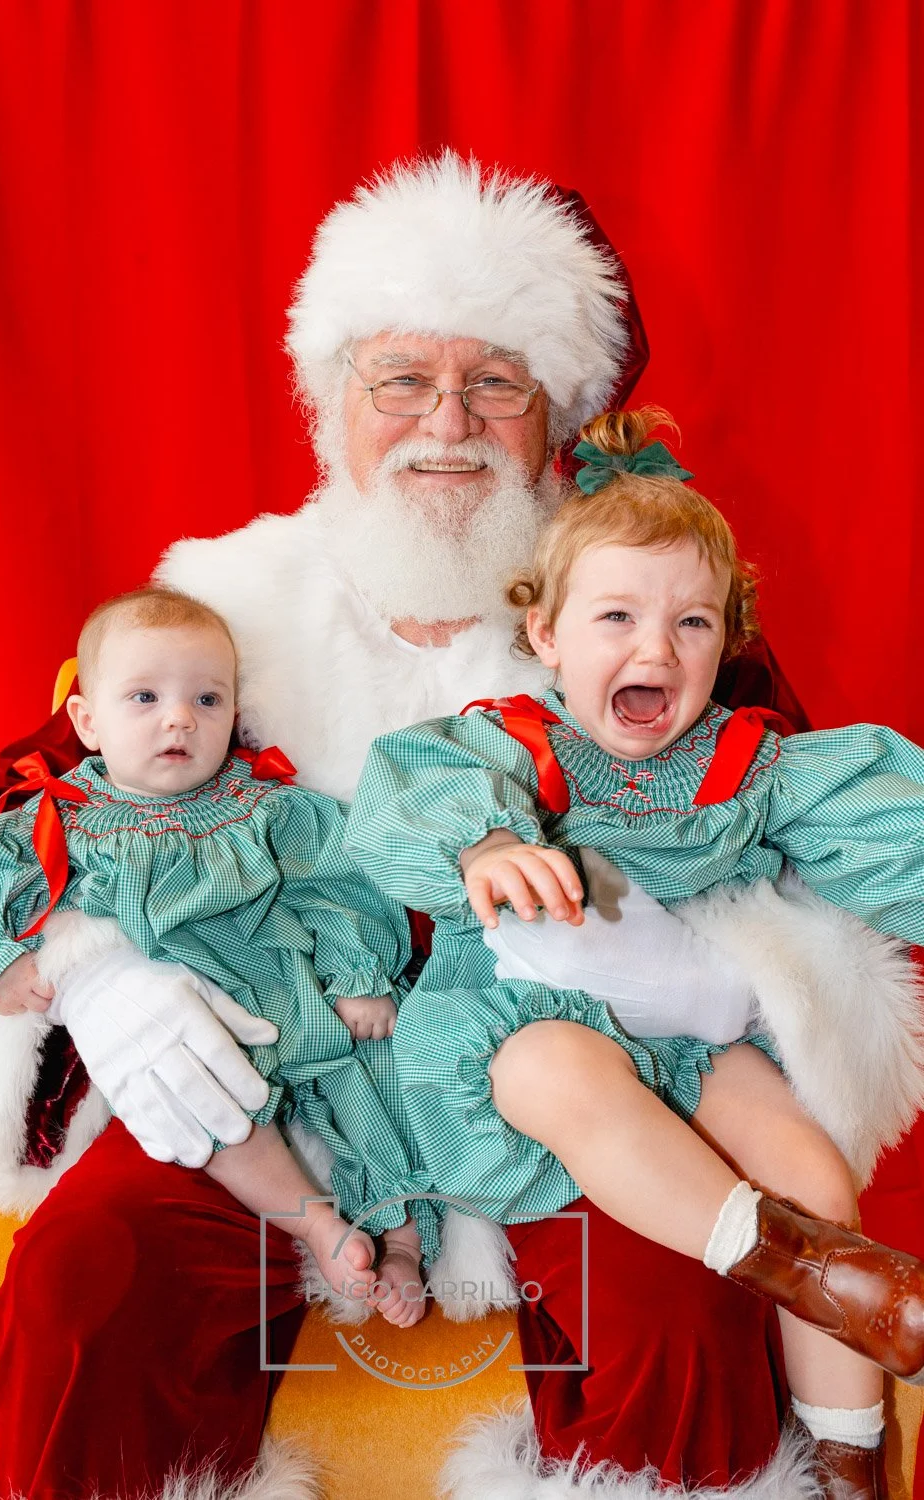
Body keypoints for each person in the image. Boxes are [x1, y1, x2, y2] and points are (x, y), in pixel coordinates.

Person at [0, 156, 880, 1499]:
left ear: (554, 413)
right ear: (334, 402)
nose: (448, 421)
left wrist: (674, 959)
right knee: (88, 1287)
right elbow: (19, 817)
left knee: (681, 1313)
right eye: (402, 379)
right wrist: (101, 971)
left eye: (494, 381)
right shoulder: (218, 606)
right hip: (282, 1090)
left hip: (574, 1096)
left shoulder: (636, 603)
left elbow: (807, 837)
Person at [345, 406, 924, 1497]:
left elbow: (891, 826)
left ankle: (854, 1468)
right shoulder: (508, 749)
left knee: (811, 1168)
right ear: (546, 636)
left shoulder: (748, 765)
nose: (654, 649)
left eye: (692, 624)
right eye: (615, 616)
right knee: (556, 1071)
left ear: (727, 643)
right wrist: (484, 843)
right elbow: (397, 797)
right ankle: (795, 1269)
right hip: (530, 1032)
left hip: (691, 1046)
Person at [0, 587, 433, 1324]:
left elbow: (343, 879)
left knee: (379, 1090)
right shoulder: (56, 820)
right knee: (215, 1116)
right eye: (144, 697)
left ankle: (404, 1243)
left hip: (298, 1000)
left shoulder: (266, 804)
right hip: (186, 1021)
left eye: (207, 698)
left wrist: (358, 977)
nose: (178, 718)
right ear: (87, 722)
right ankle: (316, 1224)